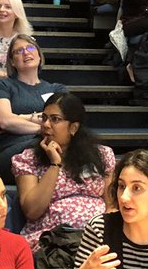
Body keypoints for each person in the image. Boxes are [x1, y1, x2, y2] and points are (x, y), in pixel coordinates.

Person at [13, 92, 113, 253]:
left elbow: (111, 205)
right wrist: (54, 164)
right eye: (44, 118)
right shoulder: (29, 159)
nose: (46, 124)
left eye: (55, 119)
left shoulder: (102, 155)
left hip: (95, 238)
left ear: (73, 127)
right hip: (53, 242)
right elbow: (32, 211)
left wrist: (108, 235)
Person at [0, 34, 67, 176]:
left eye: (30, 47)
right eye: (18, 51)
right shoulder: (2, 85)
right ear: (12, 61)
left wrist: (21, 118)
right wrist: (45, 129)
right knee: (40, 146)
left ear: (39, 55)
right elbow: (4, 121)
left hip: (51, 146)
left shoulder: (57, 89)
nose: (26, 52)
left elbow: (65, 123)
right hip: (11, 150)